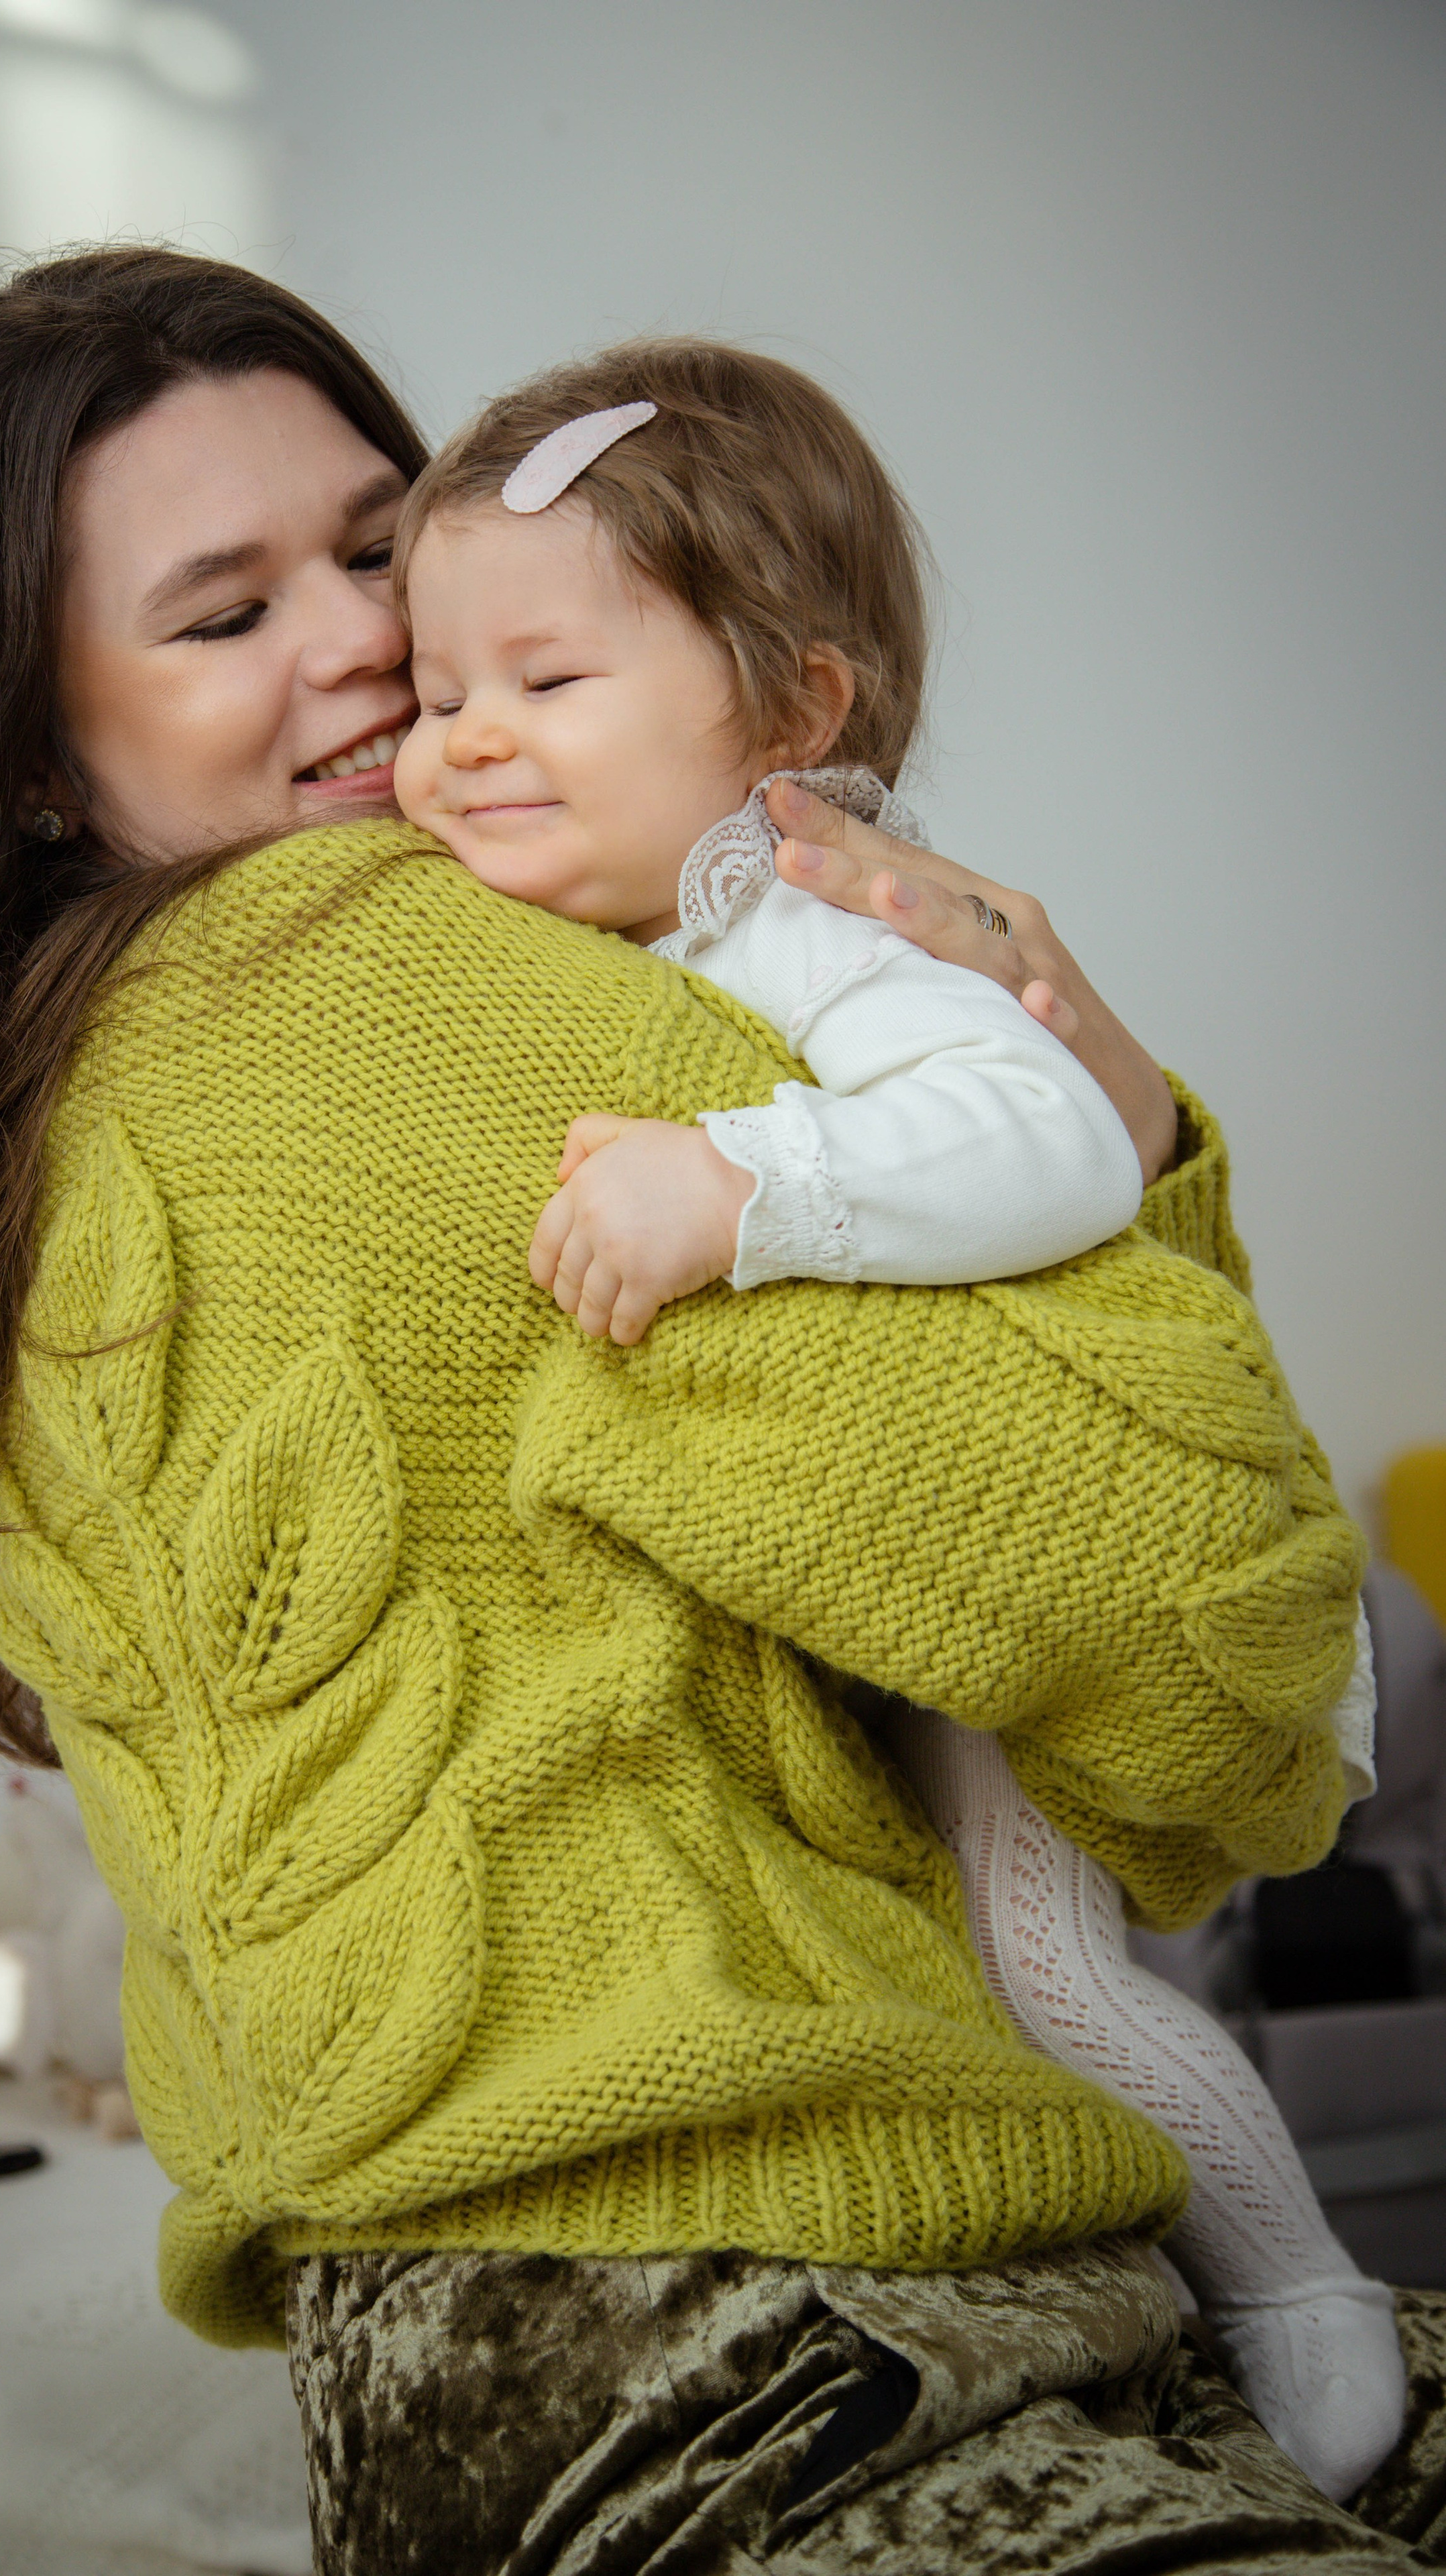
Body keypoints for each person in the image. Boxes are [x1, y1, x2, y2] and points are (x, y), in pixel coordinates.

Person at [0, 247, 1444, 2575]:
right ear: (45, 756)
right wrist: (1133, 1139)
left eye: (376, 545)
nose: (366, 647)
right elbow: (1220, 1664)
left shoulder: (75, 1103)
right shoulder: (371, 986)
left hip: (470, 2384)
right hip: (789, 2355)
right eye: (221, 613)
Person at [385, 337, 1402, 2498]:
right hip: (834, 1582)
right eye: (433, 686)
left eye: (542, 684)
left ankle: (1297, 2280)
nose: (462, 739)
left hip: (1009, 1550)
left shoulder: (811, 912)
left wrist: (745, 1193)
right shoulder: (603, 922)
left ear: (793, 721)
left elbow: (1047, 1137)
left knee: (1051, 1967)